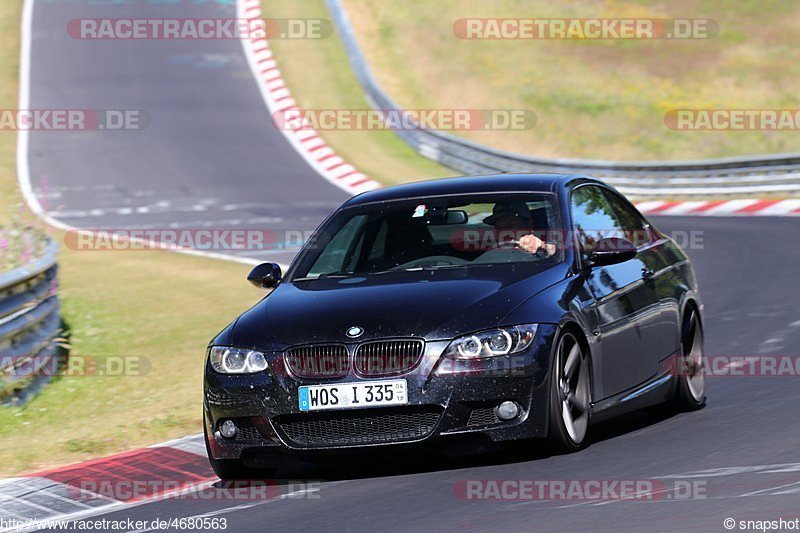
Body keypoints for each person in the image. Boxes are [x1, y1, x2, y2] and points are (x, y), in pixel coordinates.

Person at [482, 202, 557, 256]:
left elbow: (557, 252)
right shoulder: (490, 252)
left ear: (529, 224)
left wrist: (542, 246)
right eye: (499, 227)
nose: (504, 231)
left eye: (511, 225)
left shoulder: (546, 241)